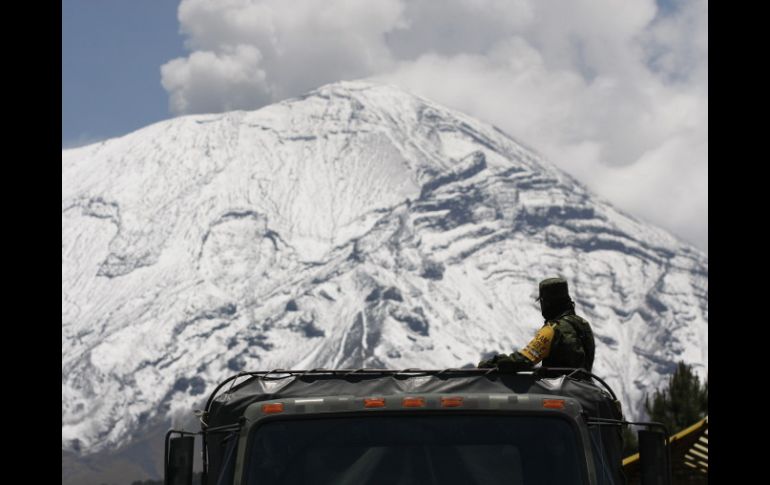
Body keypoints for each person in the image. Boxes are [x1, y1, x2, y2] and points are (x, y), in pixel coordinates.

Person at [478, 277, 595, 372]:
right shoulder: (583, 324)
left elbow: (523, 361)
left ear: (547, 303)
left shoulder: (552, 329)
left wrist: (492, 364)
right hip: (584, 391)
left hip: (559, 392)